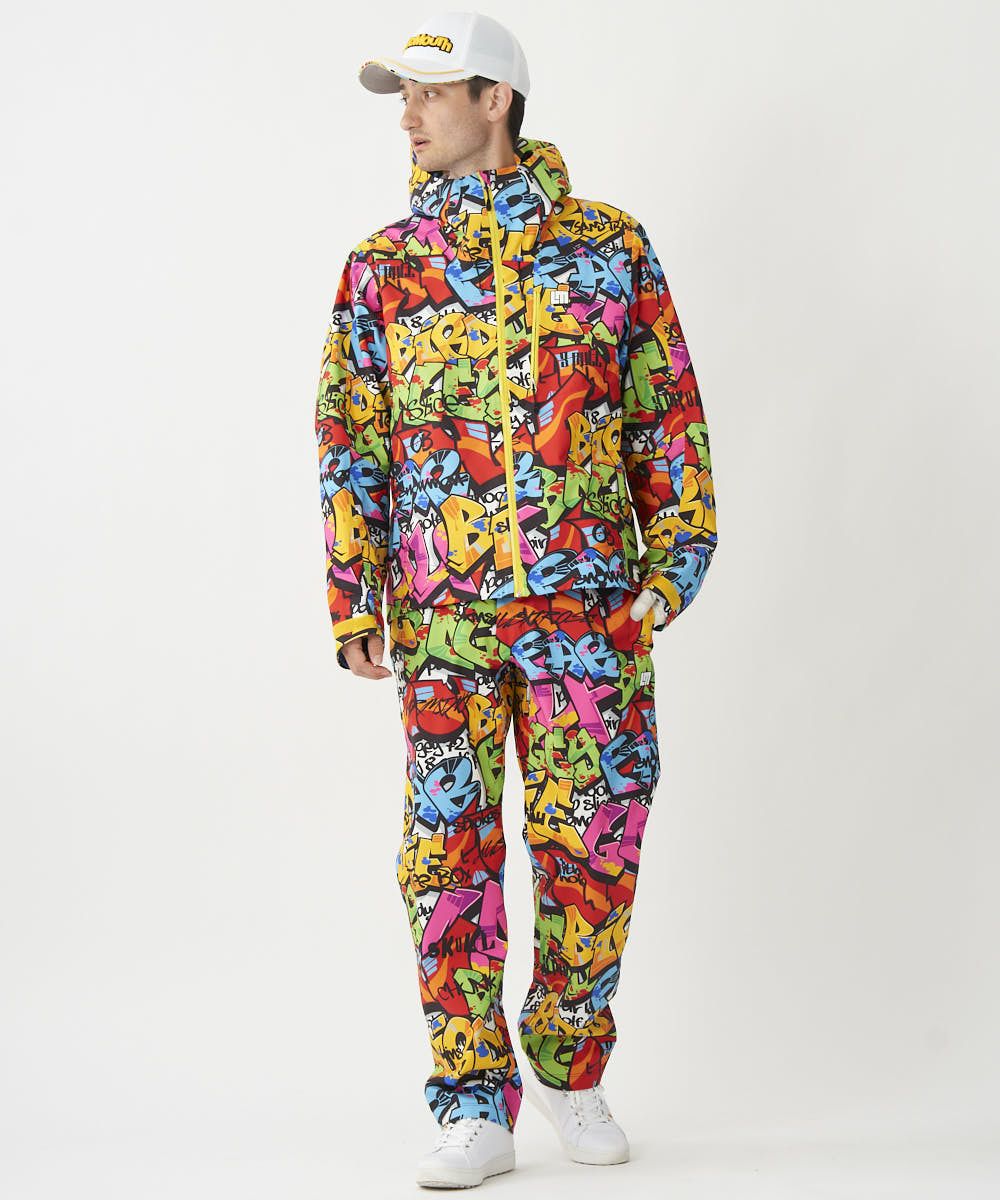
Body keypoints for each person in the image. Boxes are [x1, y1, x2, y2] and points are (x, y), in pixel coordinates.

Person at [314, 9, 718, 1189]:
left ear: (495, 99)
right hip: (444, 623)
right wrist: (355, 598)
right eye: (402, 94)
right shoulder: (382, 269)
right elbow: (351, 441)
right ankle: (471, 1103)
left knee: (598, 845)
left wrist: (668, 572)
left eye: (429, 92)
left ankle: (566, 1064)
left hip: (590, 620)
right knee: (446, 859)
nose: (407, 113)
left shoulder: (609, 249)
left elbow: (666, 419)